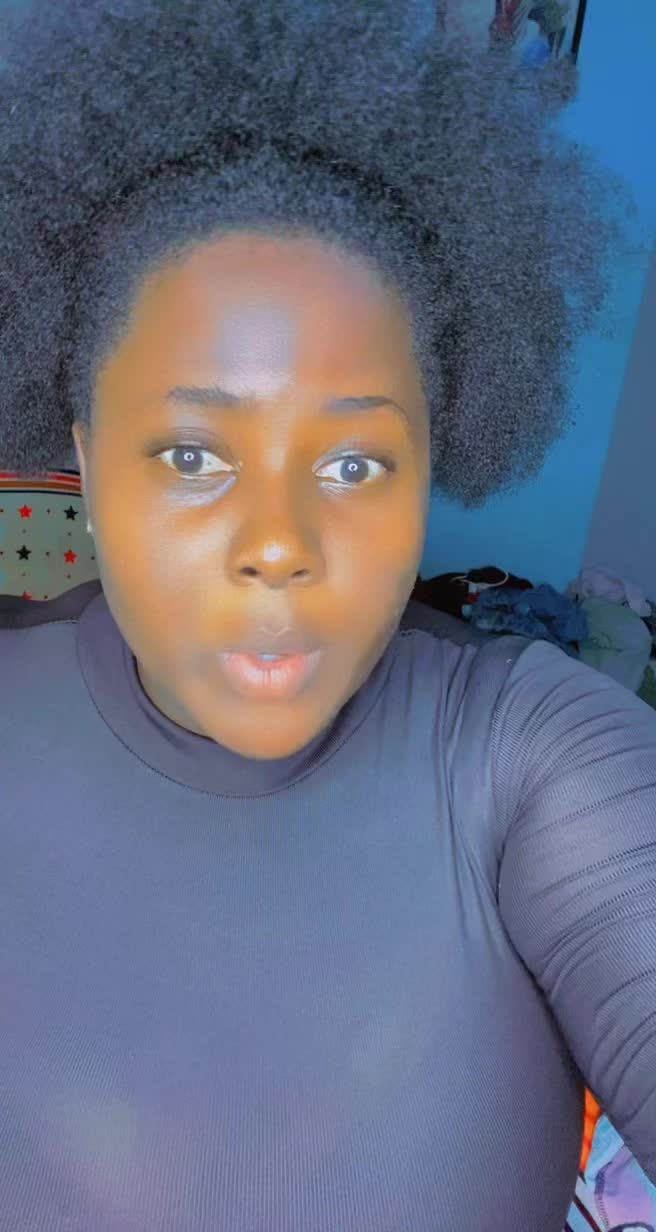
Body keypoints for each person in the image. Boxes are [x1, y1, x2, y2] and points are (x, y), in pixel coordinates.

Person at [0, 2, 654, 1229]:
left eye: (354, 464)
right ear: (84, 457)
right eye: (193, 454)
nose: (280, 545)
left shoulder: (526, 754)